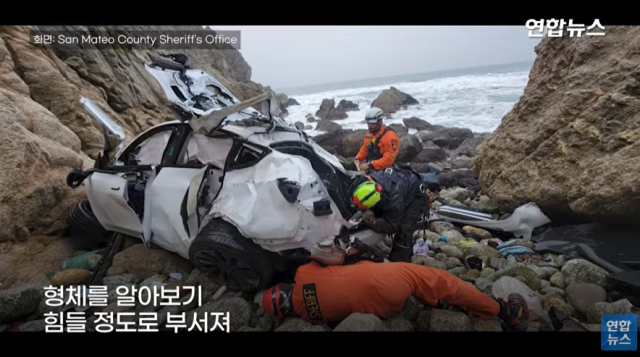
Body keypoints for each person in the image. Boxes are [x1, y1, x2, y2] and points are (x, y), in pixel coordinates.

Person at [257, 260, 529, 331]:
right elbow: (331, 258)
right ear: (284, 287)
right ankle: (505, 312)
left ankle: (439, 304)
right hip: (386, 281)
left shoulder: (311, 317)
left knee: (415, 290)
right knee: (443, 281)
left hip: (386, 310)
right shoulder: (304, 273)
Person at [349, 168, 431, 262]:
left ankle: (399, 262)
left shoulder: (394, 203)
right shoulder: (364, 181)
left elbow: (391, 226)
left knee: (404, 230)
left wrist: (372, 221)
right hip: (399, 182)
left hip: (414, 193)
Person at [354, 107, 400, 172]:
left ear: (380, 122)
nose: (369, 126)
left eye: (372, 124)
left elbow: (388, 160)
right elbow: (364, 149)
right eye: (368, 124)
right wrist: (358, 159)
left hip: (387, 170)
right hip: (372, 168)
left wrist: (370, 165)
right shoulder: (370, 134)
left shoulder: (390, 136)